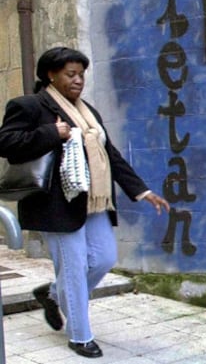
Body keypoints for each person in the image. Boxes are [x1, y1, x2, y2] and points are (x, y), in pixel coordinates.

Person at [0, 47, 170, 358]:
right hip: (57, 205)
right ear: (51, 75)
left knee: (104, 258)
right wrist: (51, 132)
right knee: (75, 269)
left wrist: (142, 191)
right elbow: (6, 142)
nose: (79, 80)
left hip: (94, 201)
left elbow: (110, 155)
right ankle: (79, 336)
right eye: (71, 74)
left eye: (81, 74)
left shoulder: (88, 111)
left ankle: (52, 294)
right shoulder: (29, 106)